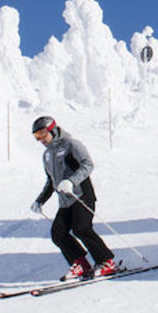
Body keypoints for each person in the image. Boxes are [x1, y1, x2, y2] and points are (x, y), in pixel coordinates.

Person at [29, 115, 118, 278]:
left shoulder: (71, 145)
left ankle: (107, 262)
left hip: (82, 196)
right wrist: (40, 200)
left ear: (53, 130)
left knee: (81, 228)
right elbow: (51, 181)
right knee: (58, 233)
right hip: (65, 201)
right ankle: (80, 264)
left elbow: (88, 164)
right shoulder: (47, 155)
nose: (41, 139)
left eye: (42, 134)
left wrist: (71, 181)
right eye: (36, 136)